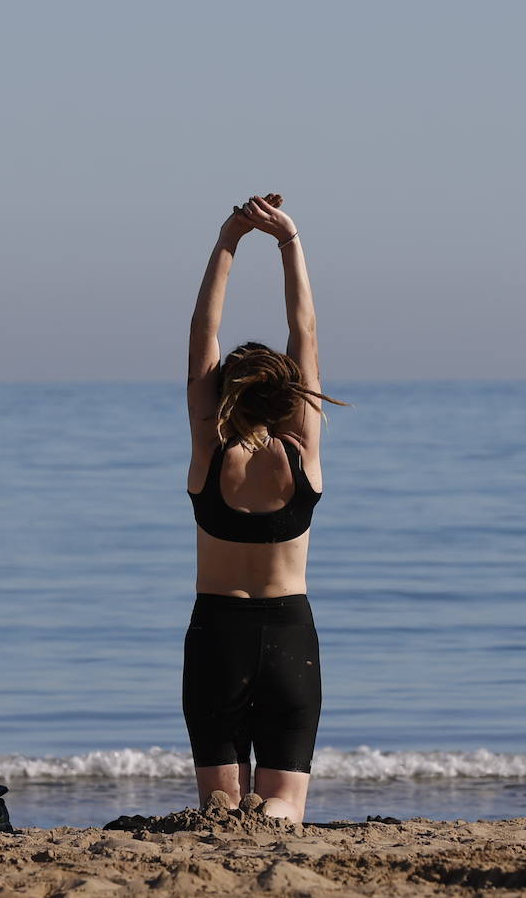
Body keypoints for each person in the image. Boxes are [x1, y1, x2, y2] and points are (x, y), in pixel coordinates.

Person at [182, 194, 346, 823]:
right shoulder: (302, 454)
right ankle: (274, 824)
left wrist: (229, 235)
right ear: (289, 396)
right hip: (289, 639)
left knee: (218, 810)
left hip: (215, 636)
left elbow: (204, 334)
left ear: (224, 395)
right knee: (283, 806)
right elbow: (304, 331)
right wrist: (289, 241)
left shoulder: (208, 451)